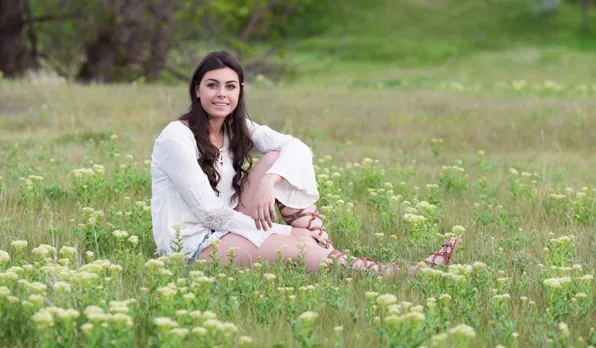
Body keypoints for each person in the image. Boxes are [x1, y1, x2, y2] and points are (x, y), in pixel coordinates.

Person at [150, 50, 460, 275]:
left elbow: (296, 148)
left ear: (240, 91)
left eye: (230, 86)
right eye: (212, 85)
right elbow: (208, 214)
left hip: (229, 224)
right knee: (293, 249)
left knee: (277, 157)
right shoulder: (176, 138)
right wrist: (281, 232)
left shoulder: (237, 128)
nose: (221, 94)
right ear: (196, 89)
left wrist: (269, 181)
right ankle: (392, 273)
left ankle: (324, 250)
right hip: (193, 244)